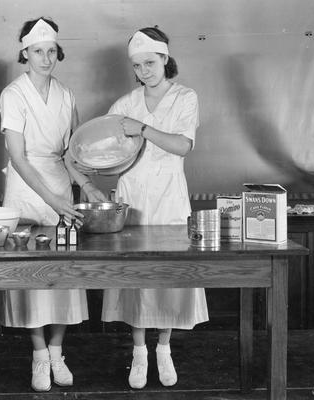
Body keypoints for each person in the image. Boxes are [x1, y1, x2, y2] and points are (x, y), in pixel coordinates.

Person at [0, 17, 105, 392]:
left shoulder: (66, 94)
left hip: (61, 183)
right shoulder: (13, 94)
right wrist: (54, 199)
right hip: (26, 191)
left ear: (58, 53)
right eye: (38, 51)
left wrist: (86, 187)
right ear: (24, 53)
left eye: (51, 51)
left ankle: (58, 351)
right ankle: (39, 355)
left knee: (64, 271)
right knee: (31, 274)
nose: (45, 58)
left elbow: (73, 152)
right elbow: (19, 156)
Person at [101, 27, 209, 389]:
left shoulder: (184, 98)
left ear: (165, 58)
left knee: (167, 276)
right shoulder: (124, 104)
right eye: (137, 65)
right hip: (132, 200)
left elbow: (182, 146)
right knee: (136, 278)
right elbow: (107, 151)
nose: (144, 70)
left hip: (169, 198)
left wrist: (142, 129)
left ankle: (163, 348)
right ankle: (138, 352)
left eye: (150, 62)